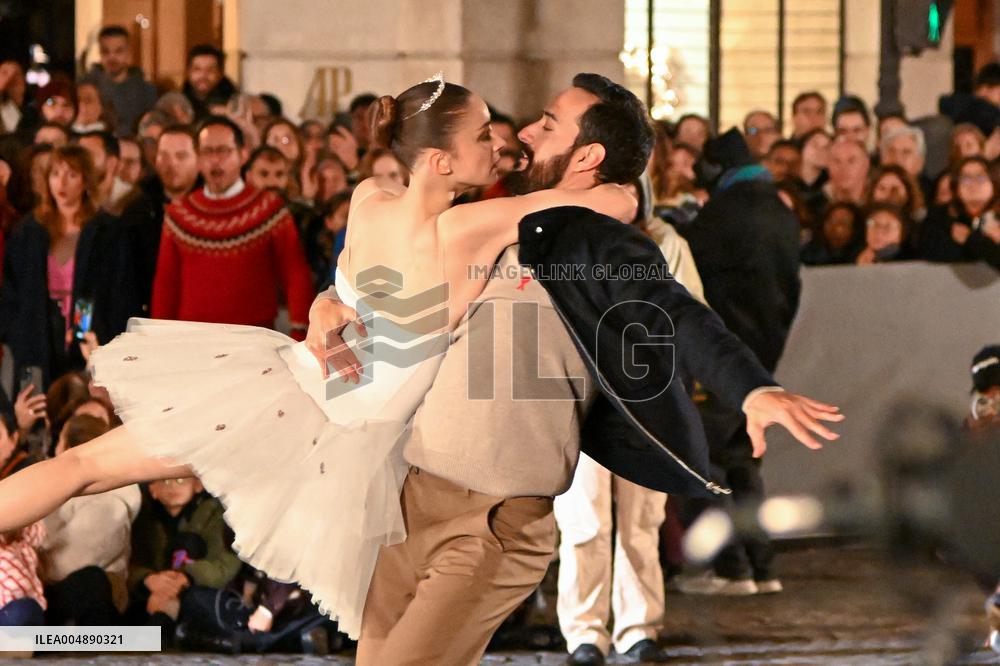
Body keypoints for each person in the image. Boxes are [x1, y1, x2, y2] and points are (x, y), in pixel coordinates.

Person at [0, 74, 840, 660]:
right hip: (352, 441)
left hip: (344, 418)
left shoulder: (390, 202)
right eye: (491, 136)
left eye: (535, 128)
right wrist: (613, 193)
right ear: (443, 160)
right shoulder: (477, 227)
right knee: (89, 468)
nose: (512, 140)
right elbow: (582, 203)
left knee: (87, 466)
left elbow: (661, 299)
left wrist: (747, 384)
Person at [554, 176, 705, 666]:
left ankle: (638, 627)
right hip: (583, 400)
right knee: (583, 521)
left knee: (642, 520)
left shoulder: (666, 244)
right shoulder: (562, 245)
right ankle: (584, 632)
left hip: (650, 399)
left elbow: (692, 314)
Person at [150, 116, 315, 336]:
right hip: (192, 342)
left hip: (254, 341)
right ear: (198, 158)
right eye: (208, 152)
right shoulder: (180, 214)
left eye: (223, 151)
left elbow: (295, 273)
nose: (215, 161)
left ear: (242, 155)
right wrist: (158, 338)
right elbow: (166, 284)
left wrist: (300, 329)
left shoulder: (269, 209)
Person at [0, 145, 135, 387]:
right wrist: (16, 332)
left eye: (71, 175)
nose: (61, 182)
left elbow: (118, 290)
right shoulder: (29, 231)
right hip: (37, 333)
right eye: (55, 174)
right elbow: (12, 291)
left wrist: (95, 334)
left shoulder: (106, 231)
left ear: (85, 181)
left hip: (88, 332)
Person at [40, 414, 141, 624]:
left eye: (60, 441)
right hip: (52, 587)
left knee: (91, 581)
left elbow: (72, 563)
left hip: (79, 589)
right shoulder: (57, 486)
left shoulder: (111, 502)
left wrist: (36, 564)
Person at [120, 124, 200, 315]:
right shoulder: (138, 207)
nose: (171, 163)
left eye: (181, 156)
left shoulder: (213, 207)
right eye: (164, 155)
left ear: (199, 160)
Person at [919, 156, 1000, 267]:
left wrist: (969, 239)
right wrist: (986, 242)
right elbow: (933, 253)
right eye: (965, 179)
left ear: (994, 184)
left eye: (981, 178)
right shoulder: (940, 216)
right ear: (956, 188)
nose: (973, 184)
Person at [81, 25, 157, 137]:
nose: (112, 57)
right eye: (106, 52)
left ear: (129, 53)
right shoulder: (85, 88)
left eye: (119, 51)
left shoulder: (146, 91)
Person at [183, 44, 238, 121]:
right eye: (197, 69)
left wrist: (232, 115)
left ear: (220, 74)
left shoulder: (235, 104)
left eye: (210, 70)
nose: (203, 75)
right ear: (188, 73)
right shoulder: (178, 104)